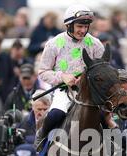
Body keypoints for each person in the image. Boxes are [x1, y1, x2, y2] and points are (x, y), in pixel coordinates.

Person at [36, 4, 104, 146]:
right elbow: (42, 72)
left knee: (106, 116)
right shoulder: (53, 44)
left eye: (86, 27)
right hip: (64, 91)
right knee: (56, 114)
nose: (83, 30)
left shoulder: (96, 44)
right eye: (79, 26)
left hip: (90, 92)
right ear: (68, 25)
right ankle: (41, 138)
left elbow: (102, 70)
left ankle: (116, 148)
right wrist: (63, 77)